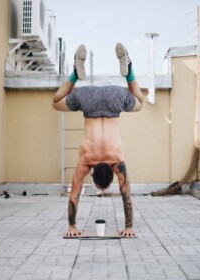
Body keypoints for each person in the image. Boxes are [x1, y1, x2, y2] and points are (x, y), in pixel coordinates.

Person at [52, 43, 144, 237]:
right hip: (90, 98)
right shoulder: (86, 162)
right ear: (92, 174)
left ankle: (127, 70)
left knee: (140, 102)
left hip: (112, 96)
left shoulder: (117, 162)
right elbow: (74, 195)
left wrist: (129, 227)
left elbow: (126, 194)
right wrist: (72, 227)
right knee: (56, 102)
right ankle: (77, 73)